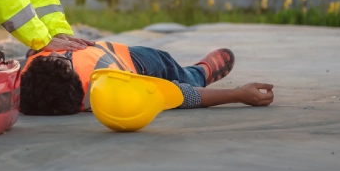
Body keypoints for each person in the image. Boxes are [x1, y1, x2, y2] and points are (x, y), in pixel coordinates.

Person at [19, 42, 274, 115]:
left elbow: (180, 94)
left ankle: (196, 71)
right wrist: (239, 94)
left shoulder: (113, 83)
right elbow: (178, 95)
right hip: (119, 60)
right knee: (182, 80)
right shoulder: (27, 67)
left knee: (175, 70)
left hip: (134, 59)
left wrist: (239, 94)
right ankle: (199, 72)